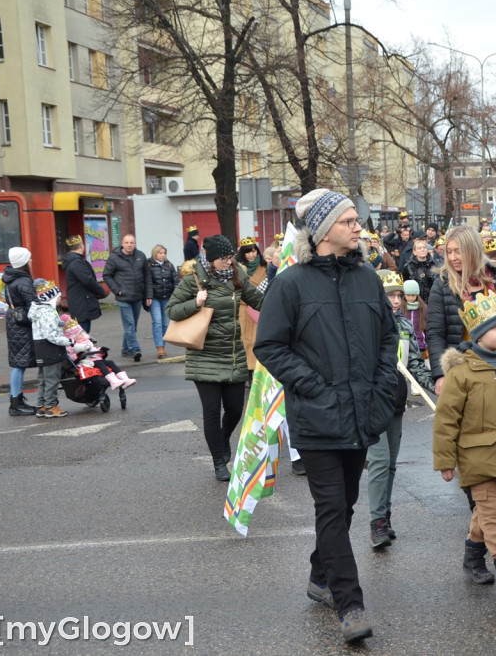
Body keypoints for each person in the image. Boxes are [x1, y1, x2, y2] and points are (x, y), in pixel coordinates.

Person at [253, 189, 397, 645]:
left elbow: (387, 338)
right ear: (321, 231)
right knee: (332, 508)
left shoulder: (368, 279)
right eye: (349, 220)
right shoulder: (291, 284)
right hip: (317, 419)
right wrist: (311, 385)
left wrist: (381, 388)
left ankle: (320, 575)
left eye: (357, 220)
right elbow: (269, 345)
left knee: (345, 505)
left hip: (362, 415)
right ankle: (349, 604)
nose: (358, 227)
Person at [433, 291, 496, 603]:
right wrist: (446, 461)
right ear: (476, 335)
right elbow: (446, 420)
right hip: (474, 457)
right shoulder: (460, 373)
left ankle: (473, 555)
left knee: (487, 511)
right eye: (495, 327)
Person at [166, 235, 264, 481]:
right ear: (210, 259)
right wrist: (196, 303)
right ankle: (219, 461)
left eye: (231, 258)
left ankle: (222, 439)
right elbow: (172, 310)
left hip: (233, 355)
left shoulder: (237, 277)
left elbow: (259, 301)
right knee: (211, 411)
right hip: (204, 355)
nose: (229, 262)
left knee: (234, 409)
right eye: (224, 259)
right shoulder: (194, 281)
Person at [367, 270, 433, 549]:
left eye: (397, 295)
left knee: (391, 463)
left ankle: (386, 515)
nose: (395, 301)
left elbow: (416, 364)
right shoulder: (368, 325)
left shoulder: (405, 326)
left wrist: (438, 384)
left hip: (396, 400)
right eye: (389, 296)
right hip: (372, 401)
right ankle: (377, 522)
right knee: (380, 461)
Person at [426, 226, 496, 396]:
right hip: (462, 369)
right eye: (449, 252)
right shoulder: (442, 284)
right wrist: (440, 374)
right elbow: (435, 332)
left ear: (472, 250)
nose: (452, 258)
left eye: (458, 252)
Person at [28, 278, 74, 418]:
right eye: (58, 297)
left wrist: (60, 324)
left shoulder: (38, 309)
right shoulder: (47, 312)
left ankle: (41, 406)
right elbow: (52, 335)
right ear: (51, 298)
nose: (60, 299)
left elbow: (47, 328)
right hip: (50, 348)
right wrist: (69, 341)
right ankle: (51, 407)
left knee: (43, 380)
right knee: (52, 380)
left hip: (40, 347)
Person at [103, 234, 151, 362]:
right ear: (122, 244)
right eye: (127, 242)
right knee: (129, 324)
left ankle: (125, 349)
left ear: (135, 244)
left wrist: (148, 295)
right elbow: (107, 275)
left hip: (137, 296)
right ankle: (135, 349)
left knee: (133, 325)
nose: (129, 245)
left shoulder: (141, 256)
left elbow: (147, 276)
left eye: (132, 242)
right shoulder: (114, 258)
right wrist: (117, 290)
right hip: (123, 297)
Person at [3, 247, 38, 416]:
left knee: (18, 362)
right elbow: (33, 305)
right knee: (19, 364)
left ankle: (16, 400)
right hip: (22, 325)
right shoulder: (23, 281)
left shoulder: (10, 278)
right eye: (29, 259)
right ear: (24, 262)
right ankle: (15, 404)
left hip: (14, 321)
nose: (32, 261)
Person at [60, 315, 136, 389]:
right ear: (73, 336)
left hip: (94, 359)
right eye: (79, 333)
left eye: (81, 332)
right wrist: (80, 351)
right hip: (85, 362)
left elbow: (93, 350)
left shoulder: (86, 341)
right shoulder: (71, 345)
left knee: (110, 362)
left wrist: (100, 350)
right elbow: (71, 356)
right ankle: (113, 381)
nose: (82, 334)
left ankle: (125, 380)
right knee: (101, 364)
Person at [236, 236, 268, 375]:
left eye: (254, 251)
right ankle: (247, 372)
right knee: (244, 341)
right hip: (243, 310)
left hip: (260, 309)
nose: (251, 255)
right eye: (248, 252)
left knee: (259, 341)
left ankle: (258, 372)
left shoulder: (266, 266)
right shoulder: (238, 268)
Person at [63, 235, 107, 334]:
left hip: (79, 302)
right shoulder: (77, 263)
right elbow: (88, 280)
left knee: (82, 333)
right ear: (81, 245)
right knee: (83, 335)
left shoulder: (73, 261)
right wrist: (101, 291)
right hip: (82, 303)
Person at [147, 244, 178, 359]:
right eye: (160, 253)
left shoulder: (169, 265)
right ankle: (160, 347)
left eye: (164, 253)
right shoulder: (149, 265)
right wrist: (148, 296)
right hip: (154, 297)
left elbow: (175, 281)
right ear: (155, 253)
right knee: (157, 322)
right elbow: (148, 282)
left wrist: (175, 296)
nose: (162, 255)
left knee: (166, 323)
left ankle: (163, 345)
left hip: (167, 297)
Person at [401, 237, 437, 305]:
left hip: (433, 300)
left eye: (424, 248)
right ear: (414, 252)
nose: (422, 250)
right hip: (416, 301)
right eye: (419, 248)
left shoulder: (434, 264)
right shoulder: (408, 267)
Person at [402, 280, 428, 361]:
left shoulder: (424, 308)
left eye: (413, 295)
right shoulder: (400, 308)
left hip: (421, 346)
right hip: (405, 345)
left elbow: (428, 328)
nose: (410, 298)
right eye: (408, 295)